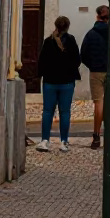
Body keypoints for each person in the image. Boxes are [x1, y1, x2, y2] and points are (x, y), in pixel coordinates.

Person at [80, 4, 110, 150]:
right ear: (109, 18)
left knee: (99, 104)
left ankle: (96, 135)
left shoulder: (90, 34)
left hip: (96, 72)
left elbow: (83, 55)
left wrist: (92, 65)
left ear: (97, 16)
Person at [36, 16, 81, 152]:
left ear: (55, 26)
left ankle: (45, 140)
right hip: (67, 82)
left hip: (50, 81)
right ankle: (64, 141)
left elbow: (41, 62)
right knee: (65, 112)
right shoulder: (71, 41)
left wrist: (40, 76)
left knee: (48, 111)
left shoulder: (48, 42)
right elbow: (77, 60)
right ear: (67, 27)